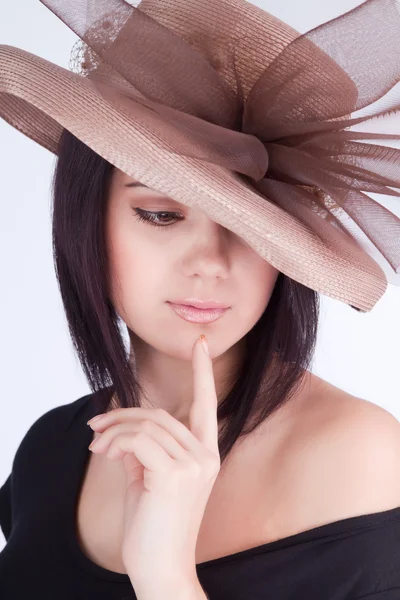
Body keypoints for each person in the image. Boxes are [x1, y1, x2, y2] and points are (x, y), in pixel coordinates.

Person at [1, 0, 400, 598]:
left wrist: (164, 573)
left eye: (252, 225)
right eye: (160, 214)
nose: (210, 263)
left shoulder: (360, 460)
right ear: (86, 218)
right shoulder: (52, 450)